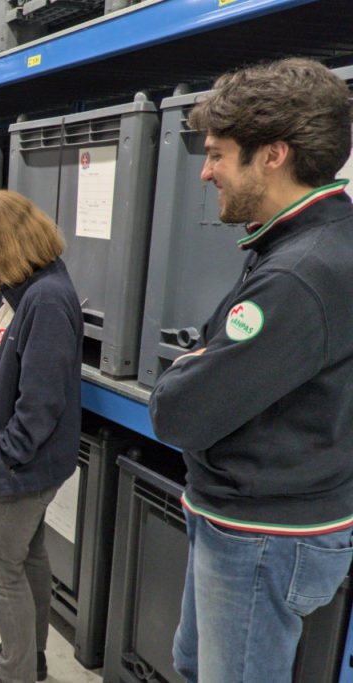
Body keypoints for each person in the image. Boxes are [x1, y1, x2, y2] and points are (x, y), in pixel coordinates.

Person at [148, 58, 353, 682]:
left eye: (216, 153)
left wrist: (194, 367)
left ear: (273, 155)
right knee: (192, 662)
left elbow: (179, 411)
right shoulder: (308, 242)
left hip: (262, 537)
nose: (206, 170)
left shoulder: (298, 274)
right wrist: (206, 362)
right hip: (258, 522)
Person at [0, 190, 83, 683]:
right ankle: (28, 654)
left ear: (6, 243)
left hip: (22, 463)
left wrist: (5, 455)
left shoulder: (47, 299)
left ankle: (17, 673)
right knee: (26, 556)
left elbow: (41, 400)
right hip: (16, 457)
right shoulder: (27, 291)